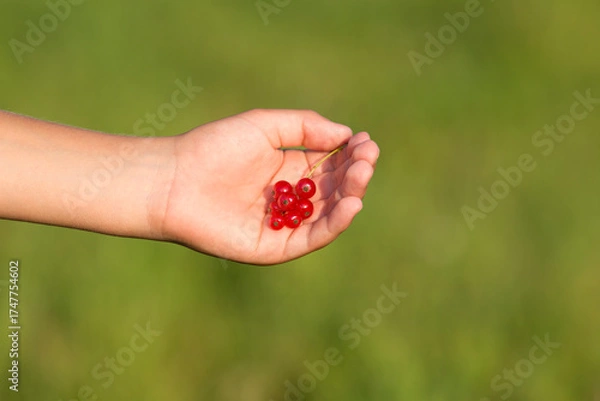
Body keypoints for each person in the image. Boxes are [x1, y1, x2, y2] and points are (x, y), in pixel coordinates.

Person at [0, 109, 379, 264]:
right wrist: (168, 176)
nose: (283, 204)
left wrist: (169, 173)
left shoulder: (288, 194)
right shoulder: (287, 196)